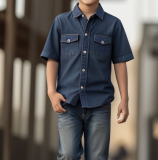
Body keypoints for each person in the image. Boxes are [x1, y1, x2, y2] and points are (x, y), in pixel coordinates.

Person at [40, 0, 134, 159]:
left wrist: (124, 98)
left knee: (97, 157)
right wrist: (51, 91)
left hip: (100, 104)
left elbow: (120, 63)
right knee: (68, 155)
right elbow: (52, 59)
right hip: (68, 103)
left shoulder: (114, 25)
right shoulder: (60, 22)